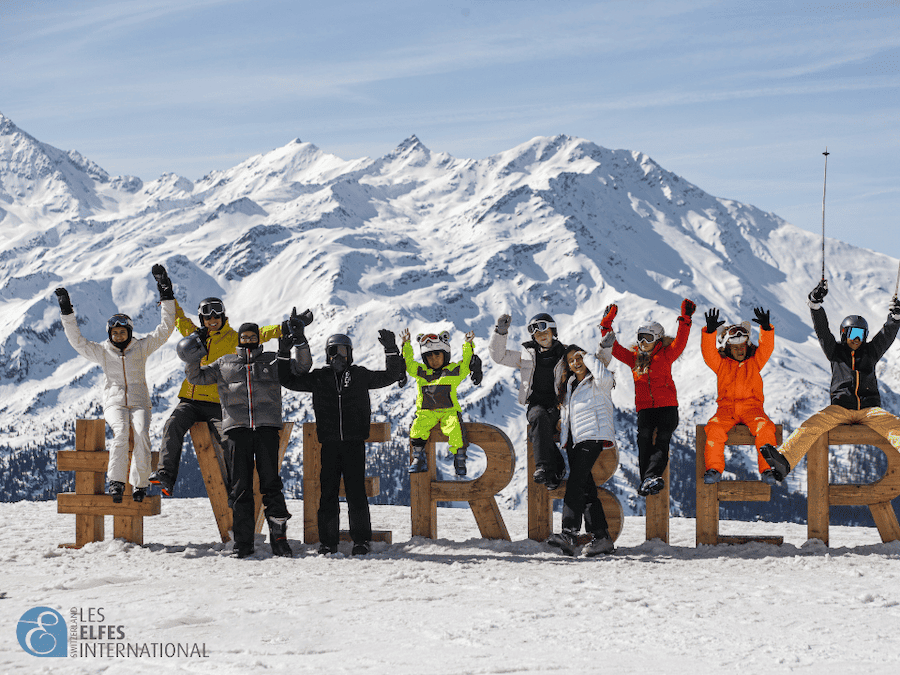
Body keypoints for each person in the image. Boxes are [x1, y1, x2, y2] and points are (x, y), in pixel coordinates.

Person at [54, 265, 176, 503]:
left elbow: (166, 329)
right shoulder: (102, 352)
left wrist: (166, 292)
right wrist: (66, 311)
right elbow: (77, 341)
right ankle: (117, 483)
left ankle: (139, 485)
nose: (119, 336)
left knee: (141, 433)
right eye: (115, 333)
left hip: (140, 402)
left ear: (130, 332)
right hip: (114, 403)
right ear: (109, 334)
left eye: (123, 332)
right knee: (120, 433)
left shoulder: (141, 347)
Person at [184, 321, 306, 558]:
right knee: (241, 488)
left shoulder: (272, 360)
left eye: (253, 337)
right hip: (236, 431)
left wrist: (300, 342)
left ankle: (279, 540)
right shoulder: (224, 363)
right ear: (239, 339)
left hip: (266, 428)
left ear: (258, 338)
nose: (248, 340)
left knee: (271, 484)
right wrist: (193, 353)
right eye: (245, 337)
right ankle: (243, 543)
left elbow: (302, 367)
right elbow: (196, 378)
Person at [278, 329, 404, 556]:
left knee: (356, 493)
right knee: (328, 494)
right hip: (329, 444)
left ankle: (361, 541)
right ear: (327, 355)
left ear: (351, 354)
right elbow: (287, 380)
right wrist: (284, 353)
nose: (338, 356)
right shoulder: (319, 378)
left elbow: (390, 376)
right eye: (333, 351)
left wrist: (391, 350)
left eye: (343, 351)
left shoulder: (360, 375)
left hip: (354, 443)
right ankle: (328, 542)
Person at [762, 281, 900, 481]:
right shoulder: (835, 351)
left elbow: (886, 336)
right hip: (840, 408)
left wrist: (895, 318)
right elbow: (822, 330)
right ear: (844, 334)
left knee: (895, 426)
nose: (857, 339)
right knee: (812, 425)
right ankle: (785, 460)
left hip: (869, 409)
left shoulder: (871, 352)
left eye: (861, 334)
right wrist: (815, 306)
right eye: (853, 333)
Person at [150, 297, 284, 497]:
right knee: (173, 425)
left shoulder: (232, 338)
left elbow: (260, 333)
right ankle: (165, 476)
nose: (212, 320)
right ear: (202, 319)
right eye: (207, 317)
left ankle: (236, 490)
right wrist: (167, 296)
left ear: (223, 316)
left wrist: (284, 328)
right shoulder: (194, 335)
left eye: (216, 316)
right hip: (190, 400)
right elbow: (178, 318)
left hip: (217, 404)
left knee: (229, 441)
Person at [609, 299, 695, 496]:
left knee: (662, 439)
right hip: (645, 408)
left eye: (648, 338)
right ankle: (647, 480)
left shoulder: (666, 354)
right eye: (640, 338)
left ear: (657, 339)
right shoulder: (634, 359)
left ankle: (652, 477)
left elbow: (680, 341)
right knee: (644, 440)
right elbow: (614, 349)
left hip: (667, 407)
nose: (643, 343)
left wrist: (685, 319)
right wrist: (607, 325)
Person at [547, 339, 617, 557]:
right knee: (586, 490)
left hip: (593, 437)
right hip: (574, 441)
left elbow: (604, 375)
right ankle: (602, 537)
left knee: (575, 483)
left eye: (579, 358)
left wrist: (587, 355)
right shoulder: (568, 386)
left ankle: (569, 532)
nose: (575, 363)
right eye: (571, 361)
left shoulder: (598, 381)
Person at [489, 312, 567, 489]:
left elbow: (594, 363)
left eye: (544, 329)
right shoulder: (527, 355)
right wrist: (500, 333)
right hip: (536, 404)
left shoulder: (565, 354)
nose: (540, 335)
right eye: (535, 332)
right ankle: (543, 468)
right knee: (538, 418)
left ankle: (556, 470)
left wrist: (605, 347)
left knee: (537, 432)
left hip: (559, 405)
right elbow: (498, 356)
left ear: (553, 331)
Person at [701, 307, 778, 484]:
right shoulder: (721, 365)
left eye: (742, 346)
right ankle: (714, 469)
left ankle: (768, 469)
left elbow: (767, 347)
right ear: (728, 348)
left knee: (765, 429)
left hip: (753, 409)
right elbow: (708, 353)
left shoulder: (755, 362)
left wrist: (766, 329)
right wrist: (710, 333)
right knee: (714, 429)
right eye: (735, 347)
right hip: (726, 410)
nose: (740, 350)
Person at [402, 329, 475, 476]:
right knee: (417, 427)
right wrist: (406, 345)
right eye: (429, 356)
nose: (434, 359)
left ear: (445, 354)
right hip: (426, 412)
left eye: (437, 354)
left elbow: (466, 365)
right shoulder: (421, 372)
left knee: (455, 429)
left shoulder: (452, 371)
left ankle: (459, 458)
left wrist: (468, 345)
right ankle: (418, 457)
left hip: (448, 411)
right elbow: (408, 364)